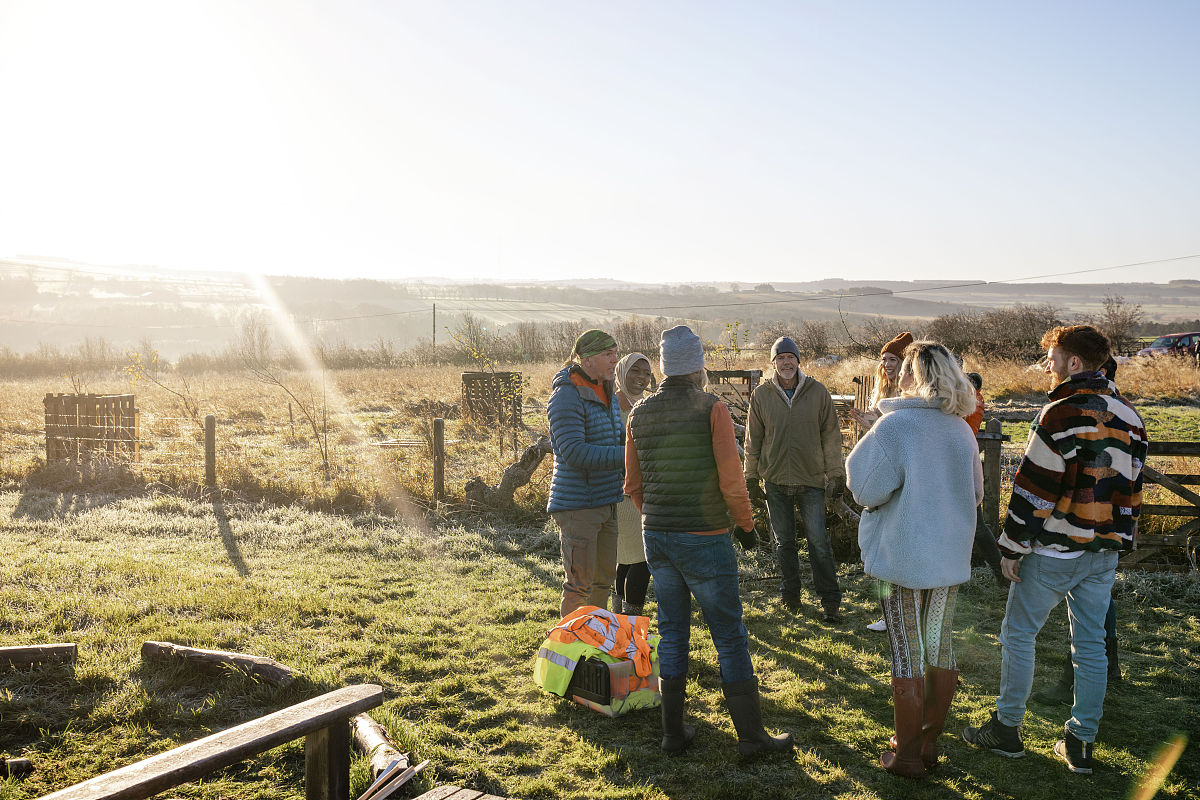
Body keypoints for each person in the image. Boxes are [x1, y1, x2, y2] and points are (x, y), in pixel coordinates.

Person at [963, 325, 1147, 775]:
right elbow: (1131, 492)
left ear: (1075, 363)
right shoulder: (1131, 417)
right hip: (1103, 552)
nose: (1048, 365)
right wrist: (1119, 541)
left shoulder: (1060, 414)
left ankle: (1007, 729)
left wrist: (1011, 546)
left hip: (1053, 551)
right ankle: (1081, 741)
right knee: (1090, 646)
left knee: (1018, 636)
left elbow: (1034, 489)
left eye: (1052, 357)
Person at [625, 325, 793, 756]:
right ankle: (752, 737)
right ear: (698, 365)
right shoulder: (712, 408)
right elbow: (731, 479)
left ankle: (672, 734)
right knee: (729, 635)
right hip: (705, 537)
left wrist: (659, 518)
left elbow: (633, 485)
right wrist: (747, 526)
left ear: (664, 368)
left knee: (674, 633)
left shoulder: (638, 413)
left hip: (657, 538)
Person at [846, 340, 983, 779]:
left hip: (901, 556)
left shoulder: (895, 428)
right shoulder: (960, 428)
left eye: (906, 368)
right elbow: (977, 494)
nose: (899, 376)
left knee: (906, 651)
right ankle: (926, 743)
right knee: (939, 646)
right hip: (947, 556)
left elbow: (865, 489)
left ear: (918, 376)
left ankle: (905, 757)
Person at [1030, 354, 1123, 704]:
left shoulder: (1075, 415)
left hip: (1071, 535)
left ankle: (1010, 720)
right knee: (1095, 614)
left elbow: (1044, 484)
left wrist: (1018, 540)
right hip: (1106, 535)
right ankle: (1102, 670)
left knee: (1025, 630)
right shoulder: (1123, 415)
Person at [744, 335, 846, 623]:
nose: (786, 362)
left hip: (811, 481)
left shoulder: (817, 392)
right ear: (773, 363)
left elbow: (831, 436)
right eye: (780, 358)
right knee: (784, 543)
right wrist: (750, 478)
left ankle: (830, 602)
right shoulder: (762, 395)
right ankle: (790, 595)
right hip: (775, 481)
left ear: (798, 361)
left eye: (791, 357)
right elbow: (753, 441)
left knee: (818, 542)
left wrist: (836, 474)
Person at [546, 329, 624, 618]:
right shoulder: (566, 396)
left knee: (603, 580)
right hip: (578, 506)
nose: (615, 359)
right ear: (587, 359)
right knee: (579, 585)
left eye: (616, 353)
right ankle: (570, 652)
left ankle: (593, 640)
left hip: (607, 501)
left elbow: (615, 440)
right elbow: (574, 453)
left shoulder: (606, 391)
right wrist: (628, 456)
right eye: (608, 354)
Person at [848, 331, 911, 632]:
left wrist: (877, 426)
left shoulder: (910, 396)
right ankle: (889, 613)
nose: (887, 364)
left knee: (898, 544)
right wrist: (869, 425)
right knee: (884, 544)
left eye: (894, 359)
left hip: (901, 476)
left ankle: (899, 613)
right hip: (882, 471)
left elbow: (901, 436)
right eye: (884, 359)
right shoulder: (882, 392)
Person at [612, 352, 655, 616]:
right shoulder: (614, 407)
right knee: (640, 558)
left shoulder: (645, 404)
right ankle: (630, 619)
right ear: (621, 372)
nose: (641, 377)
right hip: (623, 491)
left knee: (628, 558)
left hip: (639, 491)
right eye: (634, 371)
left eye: (646, 372)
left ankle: (619, 620)